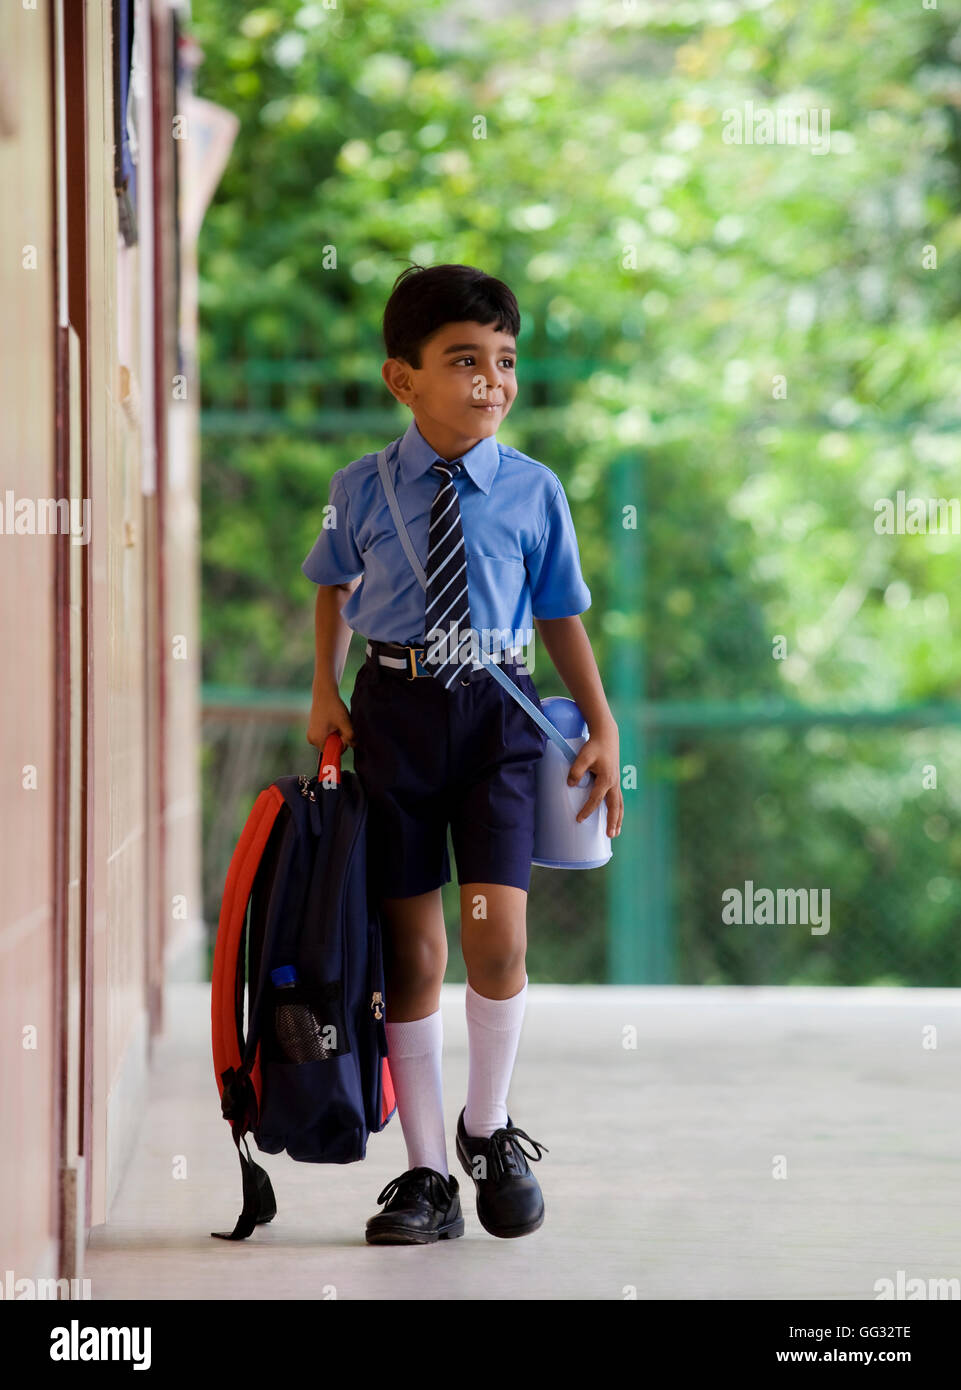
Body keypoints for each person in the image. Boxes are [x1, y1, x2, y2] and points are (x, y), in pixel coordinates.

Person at [302, 262, 623, 1244]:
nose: (492, 380)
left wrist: (601, 724)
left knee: (494, 937)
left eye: (505, 361)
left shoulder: (533, 489)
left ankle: (489, 1126)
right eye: (464, 361)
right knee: (412, 952)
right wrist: (323, 685)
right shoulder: (357, 488)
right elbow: (329, 584)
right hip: (393, 712)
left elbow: (562, 612)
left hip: (498, 715)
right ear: (404, 379)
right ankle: (429, 1175)